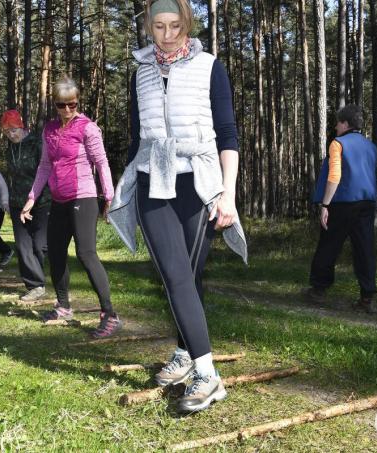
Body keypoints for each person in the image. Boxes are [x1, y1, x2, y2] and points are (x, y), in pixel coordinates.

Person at [107, 0, 247, 414]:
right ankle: (207, 373)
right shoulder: (141, 74)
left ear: (186, 24)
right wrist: (125, 184)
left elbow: (227, 135)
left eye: (175, 26)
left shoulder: (209, 67)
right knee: (173, 273)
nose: (167, 35)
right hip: (153, 178)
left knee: (189, 275)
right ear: (148, 27)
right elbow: (137, 138)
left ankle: (187, 353)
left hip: (198, 181)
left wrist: (228, 194)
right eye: (159, 26)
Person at [20, 77, 120, 338]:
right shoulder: (50, 129)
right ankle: (63, 306)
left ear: (77, 102)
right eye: (61, 105)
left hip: (83, 197)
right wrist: (32, 198)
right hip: (59, 199)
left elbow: (101, 163)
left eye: (72, 104)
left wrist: (109, 197)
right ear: (54, 104)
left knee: (86, 254)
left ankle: (110, 314)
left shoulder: (87, 128)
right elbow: (45, 166)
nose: (67, 109)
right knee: (54, 252)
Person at [307, 104, 377, 314]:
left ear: (345, 123)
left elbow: (334, 176)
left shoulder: (338, 144)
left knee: (329, 246)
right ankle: (367, 297)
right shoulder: (371, 146)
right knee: (365, 249)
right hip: (367, 204)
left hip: (341, 203)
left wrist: (325, 204)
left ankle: (318, 290)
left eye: (338, 123)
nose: (336, 127)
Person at [1, 109, 52, 304]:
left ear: (21, 126)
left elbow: (47, 170)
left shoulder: (37, 143)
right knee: (23, 245)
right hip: (17, 203)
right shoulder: (10, 150)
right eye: (6, 132)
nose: (11, 135)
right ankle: (35, 285)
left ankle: (37, 274)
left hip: (41, 201)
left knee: (40, 245)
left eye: (13, 130)